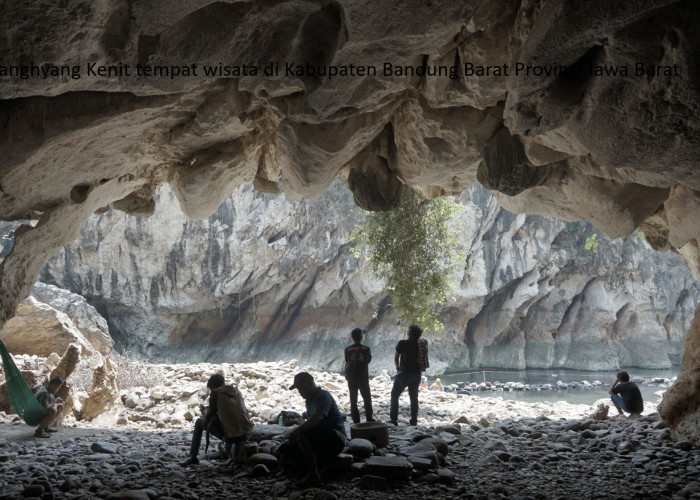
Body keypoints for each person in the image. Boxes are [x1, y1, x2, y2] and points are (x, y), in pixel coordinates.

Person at [280, 372, 347, 486]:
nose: (300, 392)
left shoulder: (323, 395)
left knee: (301, 435)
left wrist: (296, 431)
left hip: (336, 438)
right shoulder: (309, 401)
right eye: (298, 389)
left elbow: (318, 418)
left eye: (301, 388)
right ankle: (320, 466)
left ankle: (313, 474)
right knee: (285, 449)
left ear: (309, 383)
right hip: (322, 438)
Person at [180, 374, 253, 466]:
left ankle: (193, 457)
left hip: (232, 436)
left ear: (213, 387)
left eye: (210, 389)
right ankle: (229, 452)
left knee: (199, 422)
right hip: (246, 433)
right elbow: (230, 411)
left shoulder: (215, 393)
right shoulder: (236, 392)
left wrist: (204, 412)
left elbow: (209, 418)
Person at [389, 325, 428, 426]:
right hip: (416, 375)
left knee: (394, 395)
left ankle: (394, 420)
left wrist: (398, 367)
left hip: (404, 375)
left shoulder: (402, 343)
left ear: (409, 333)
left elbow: (396, 358)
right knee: (414, 398)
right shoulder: (421, 344)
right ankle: (414, 421)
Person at [344, 328, 374, 424]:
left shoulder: (347, 349)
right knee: (367, 398)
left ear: (352, 338)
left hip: (351, 378)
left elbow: (347, 361)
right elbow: (368, 361)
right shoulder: (366, 349)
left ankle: (356, 421)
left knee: (353, 400)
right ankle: (369, 418)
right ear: (361, 337)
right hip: (363, 377)